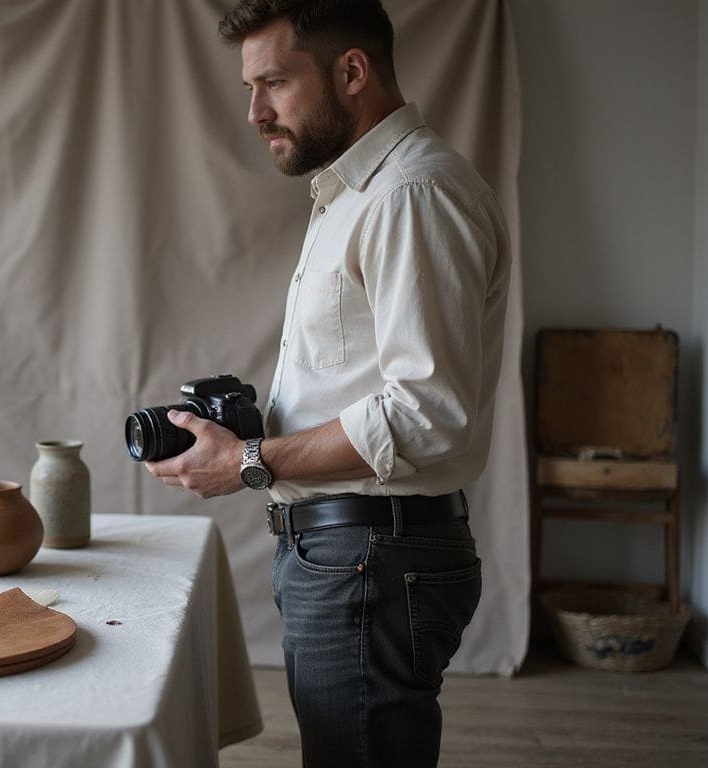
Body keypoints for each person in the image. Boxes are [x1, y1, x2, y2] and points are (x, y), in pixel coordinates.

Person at [143, 1, 511, 766]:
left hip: (371, 557)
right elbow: (365, 383)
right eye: (250, 87)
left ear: (351, 72)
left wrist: (251, 462)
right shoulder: (353, 195)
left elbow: (426, 412)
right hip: (353, 555)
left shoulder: (411, 195)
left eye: (274, 82)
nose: (254, 111)